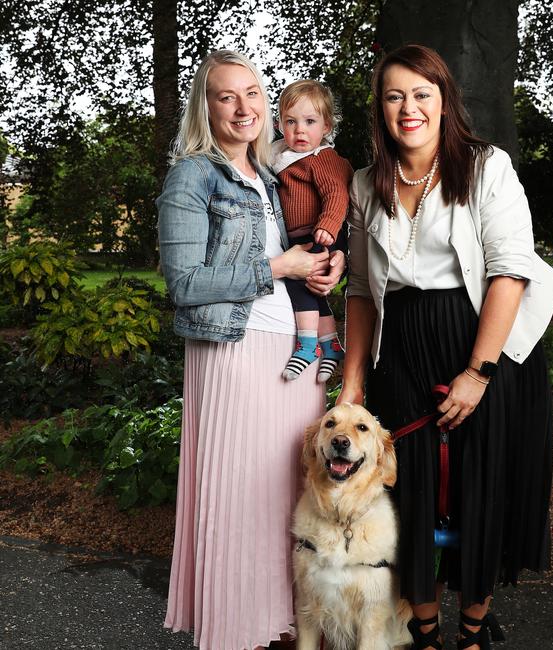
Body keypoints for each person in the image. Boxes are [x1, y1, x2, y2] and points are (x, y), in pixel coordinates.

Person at [338, 44, 553, 650]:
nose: (408, 107)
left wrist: (478, 373)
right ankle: (427, 633)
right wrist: (354, 382)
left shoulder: (488, 167)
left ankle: (471, 631)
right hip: (402, 349)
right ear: (380, 108)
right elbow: (361, 290)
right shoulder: (365, 183)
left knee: (480, 484)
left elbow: (510, 273)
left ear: (443, 102)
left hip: (482, 341)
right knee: (406, 490)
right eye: (394, 95)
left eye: (421, 94)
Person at [157, 50, 344, 650]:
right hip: (234, 352)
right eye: (226, 96)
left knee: (290, 498)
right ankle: (236, 630)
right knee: (242, 498)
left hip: (294, 352)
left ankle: (281, 627)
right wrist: (277, 266)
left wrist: (324, 266)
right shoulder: (192, 174)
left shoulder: (270, 176)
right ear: (205, 108)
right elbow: (183, 284)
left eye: (254, 93)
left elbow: (303, 250)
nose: (244, 107)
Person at [270, 79, 353, 383]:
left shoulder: (322, 158)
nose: (300, 130)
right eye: (291, 122)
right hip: (299, 235)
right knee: (317, 293)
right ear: (279, 124)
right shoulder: (283, 157)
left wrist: (329, 227)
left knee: (301, 286)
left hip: (318, 233)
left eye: (309, 122)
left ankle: (307, 346)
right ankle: (330, 345)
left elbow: (336, 194)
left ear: (326, 126)